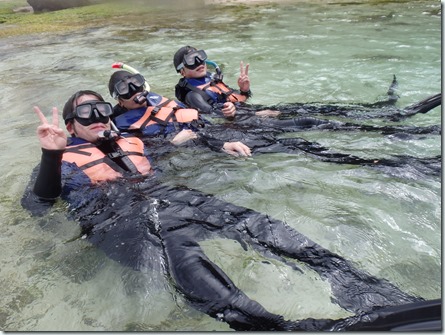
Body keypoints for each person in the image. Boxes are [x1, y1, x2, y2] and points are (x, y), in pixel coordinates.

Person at [21, 90, 439, 331]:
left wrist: (220, 143)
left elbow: (182, 143)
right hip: (125, 221)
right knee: (197, 274)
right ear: (70, 124)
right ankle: (287, 329)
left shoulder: (133, 143)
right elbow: (39, 205)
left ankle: (369, 290)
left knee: (264, 227)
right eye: (84, 113)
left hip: (174, 197)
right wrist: (50, 155)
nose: (96, 117)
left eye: (101, 110)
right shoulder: (61, 161)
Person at [108, 69, 252, 157]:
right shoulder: (121, 127)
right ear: (119, 101)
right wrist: (173, 144)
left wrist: (230, 117)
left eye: (137, 86)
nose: (135, 92)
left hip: (213, 138)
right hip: (192, 156)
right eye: (126, 91)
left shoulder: (161, 102)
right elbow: (145, 158)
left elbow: (204, 123)